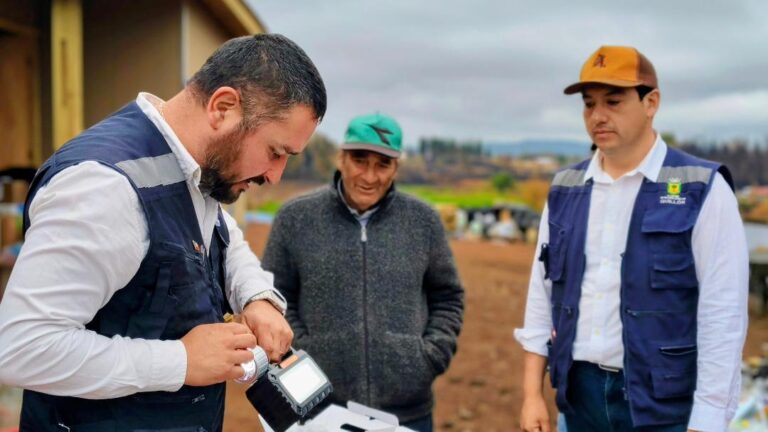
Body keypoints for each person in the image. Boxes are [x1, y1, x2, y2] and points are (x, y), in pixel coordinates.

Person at [0, 34, 326, 431]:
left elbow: (223, 234)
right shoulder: (105, 188)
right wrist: (181, 362)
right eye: (275, 152)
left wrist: (256, 297)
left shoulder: (196, 168)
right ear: (223, 108)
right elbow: (22, 348)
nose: (275, 176)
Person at [515, 45, 748, 432]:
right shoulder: (565, 189)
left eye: (613, 101)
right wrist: (531, 394)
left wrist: (708, 418)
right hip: (578, 401)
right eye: (589, 104)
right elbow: (542, 294)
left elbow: (723, 312)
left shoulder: (701, 188)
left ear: (651, 102)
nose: (598, 116)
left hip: (665, 407)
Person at [262, 113, 464, 432]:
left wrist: (428, 357)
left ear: (396, 168)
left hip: (407, 414)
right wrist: (306, 350)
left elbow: (448, 296)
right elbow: (275, 299)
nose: (369, 176)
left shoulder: (423, 221)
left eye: (383, 164)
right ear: (341, 159)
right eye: (359, 160)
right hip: (320, 412)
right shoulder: (295, 218)